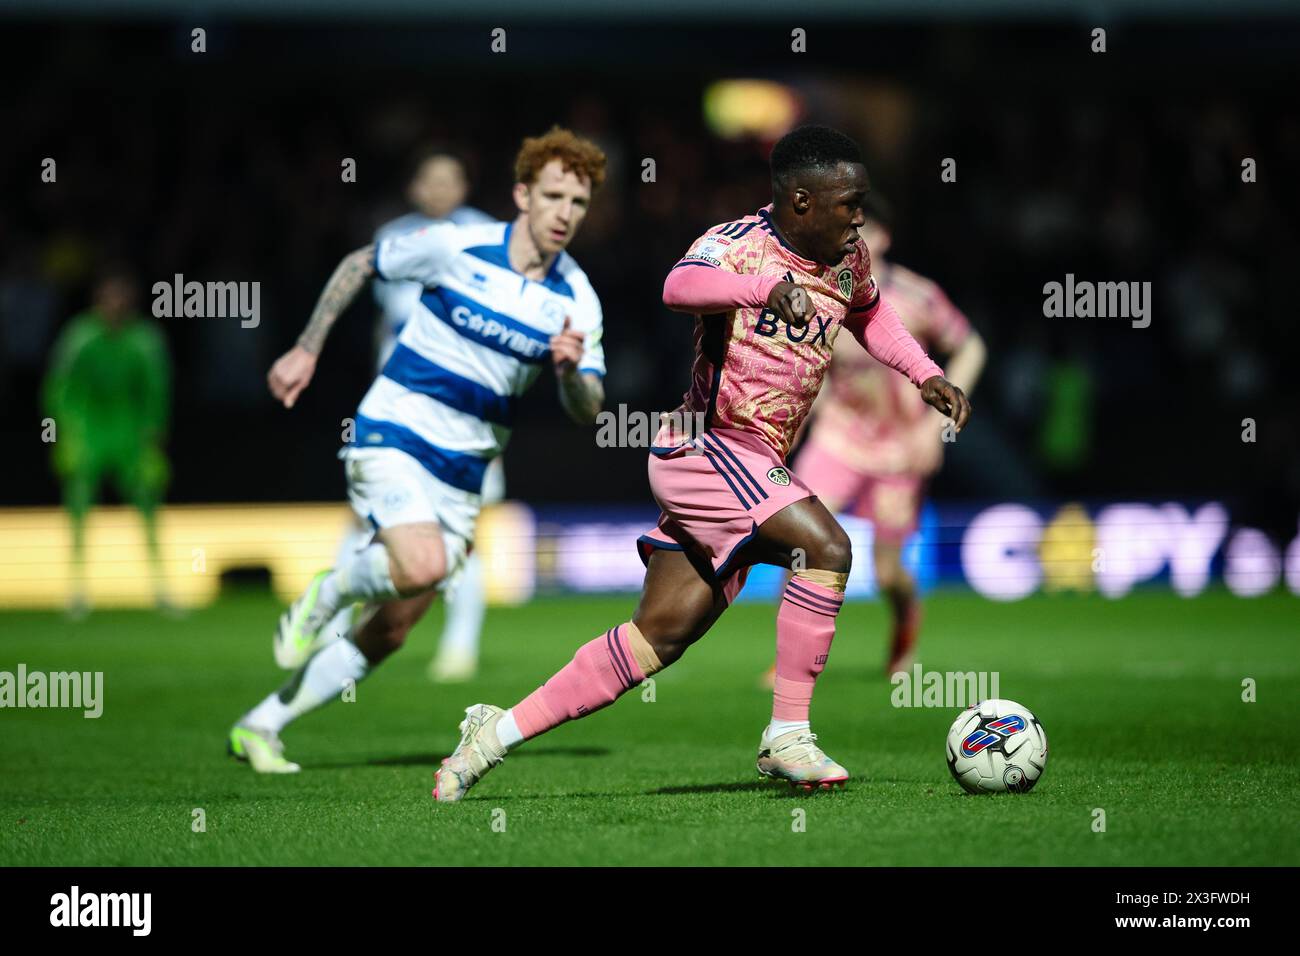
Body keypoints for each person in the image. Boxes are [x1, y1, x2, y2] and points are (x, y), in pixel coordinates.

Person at [433, 125, 971, 801]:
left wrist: (924, 373)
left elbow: (871, 316)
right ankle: (787, 735)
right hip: (707, 447)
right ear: (801, 202)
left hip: (752, 463)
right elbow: (678, 286)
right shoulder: (736, 246)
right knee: (827, 547)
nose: (859, 215)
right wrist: (761, 289)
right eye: (848, 201)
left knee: (657, 637)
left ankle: (493, 733)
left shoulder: (849, 258)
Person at [228, 127, 609, 773]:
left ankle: (261, 724)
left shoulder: (577, 299)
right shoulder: (456, 246)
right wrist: (307, 348)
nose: (564, 214)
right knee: (424, 564)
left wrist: (572, 375)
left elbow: (589, 411)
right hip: (394, 432)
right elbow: (360, 264)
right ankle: (328, 592)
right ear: (522, 194)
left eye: (577, 203)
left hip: (464, 472)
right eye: (552, 196)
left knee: (394, 627)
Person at [765, 194, 985, 680]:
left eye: (860, 229)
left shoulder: (917, 296)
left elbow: (970, 346)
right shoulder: (819, 293)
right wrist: (804, 416)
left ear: (882, 237)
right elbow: (810, 365)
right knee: (795, 542)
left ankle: (905, 627)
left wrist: (937, 426)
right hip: (840, 439)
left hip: (901, 448)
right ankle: (792, 663)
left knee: (888, 572)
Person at [322, 150, 501, 685]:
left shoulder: (488, 238)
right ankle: (333, 625)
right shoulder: (396, 236)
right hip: (398, 410)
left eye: (451, 178)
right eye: (430, 178)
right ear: (415, 187)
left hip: (464, 412)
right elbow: (386, 324)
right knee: (365, 515)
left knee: (463, 529)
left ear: (465, 185)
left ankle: (459, 645)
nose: (440, 188)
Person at [42, 268, 172, 617]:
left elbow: (156, 390)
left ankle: (162, 587)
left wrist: (154, 431)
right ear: (98, 301)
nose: (116, 305)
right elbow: (59, 387)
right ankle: (77, 589)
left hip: (130, 431)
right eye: (110, 298)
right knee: (79, 508)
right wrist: (60, 432)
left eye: (123, 298)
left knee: (148, 506)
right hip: (88, 431)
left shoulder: (144, 339)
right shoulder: (79, 336)